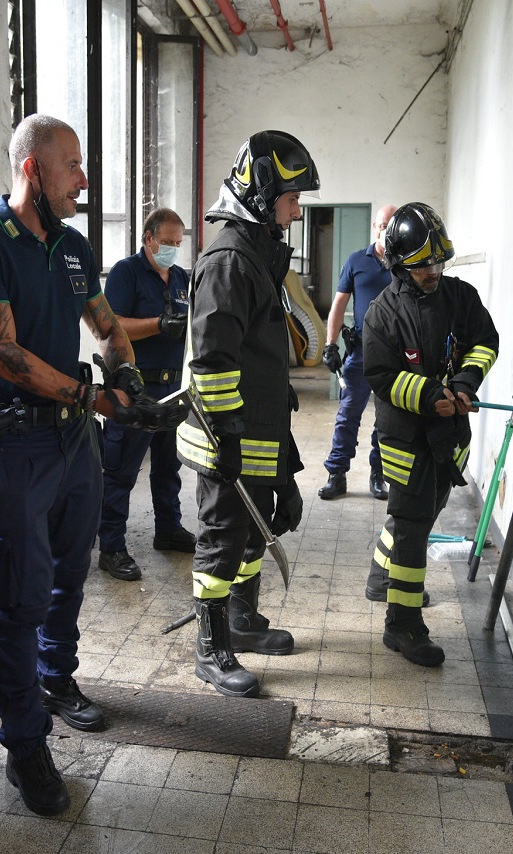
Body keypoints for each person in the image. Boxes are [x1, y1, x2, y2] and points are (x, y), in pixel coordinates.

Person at [0, 114, 184, 816]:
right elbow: (5, 357)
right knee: (22, 592)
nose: (84, 179)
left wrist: (131, 383)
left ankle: (58, 679)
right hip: (19, 445)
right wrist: (95, 396)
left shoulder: (76, 247)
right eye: (73, 165)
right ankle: (25, 746)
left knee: (70, 574)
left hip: (74, 440)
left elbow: (108, 329)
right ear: (33, 171)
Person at [177, 131, 318, 698]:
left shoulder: (259, 254)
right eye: (291, 197)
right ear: (262, 194)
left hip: (258, 429)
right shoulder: (229, 260)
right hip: (226, 434)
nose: (297, 208)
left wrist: (279, 454)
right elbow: (212, 360)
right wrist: (229, 436)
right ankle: (210, 649)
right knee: (222, 537)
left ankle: (241, 620)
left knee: (255, 532)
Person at [361, 202, 499, 667]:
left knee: (417, 515)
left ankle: (381, 579)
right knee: (415, 526)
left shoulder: (461, 297)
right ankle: (402, 625)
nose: (432, 272)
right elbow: (381, 376)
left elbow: (485, 342)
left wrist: (464, 383)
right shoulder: (382, 314)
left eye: (437, 262)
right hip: (407, 440)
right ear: (401, 265)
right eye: (421, 266)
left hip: (450, 436)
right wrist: (426, 395)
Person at [97, 208, 195, 581]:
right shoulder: (126, 273)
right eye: (166, 242)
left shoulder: (181, 279)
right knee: (121, 471)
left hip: (173, 386)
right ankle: (112, 547)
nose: (172, 248)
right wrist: (158, 324)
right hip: (136, 387)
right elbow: (111, 326)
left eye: (177, 243)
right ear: (148, 238)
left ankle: (168, 529)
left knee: (169, 466)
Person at [318, 204, 398, 503]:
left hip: (395, 358)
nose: (385, 230)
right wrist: (330, 344)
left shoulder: (403, 263)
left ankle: (378, 475)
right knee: (348, 415)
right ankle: (336, 475)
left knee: (387, 419)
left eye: (390, 225)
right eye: (381, 225)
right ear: (374, 227)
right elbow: (338, 306)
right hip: (362, 352)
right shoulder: (356, 261)